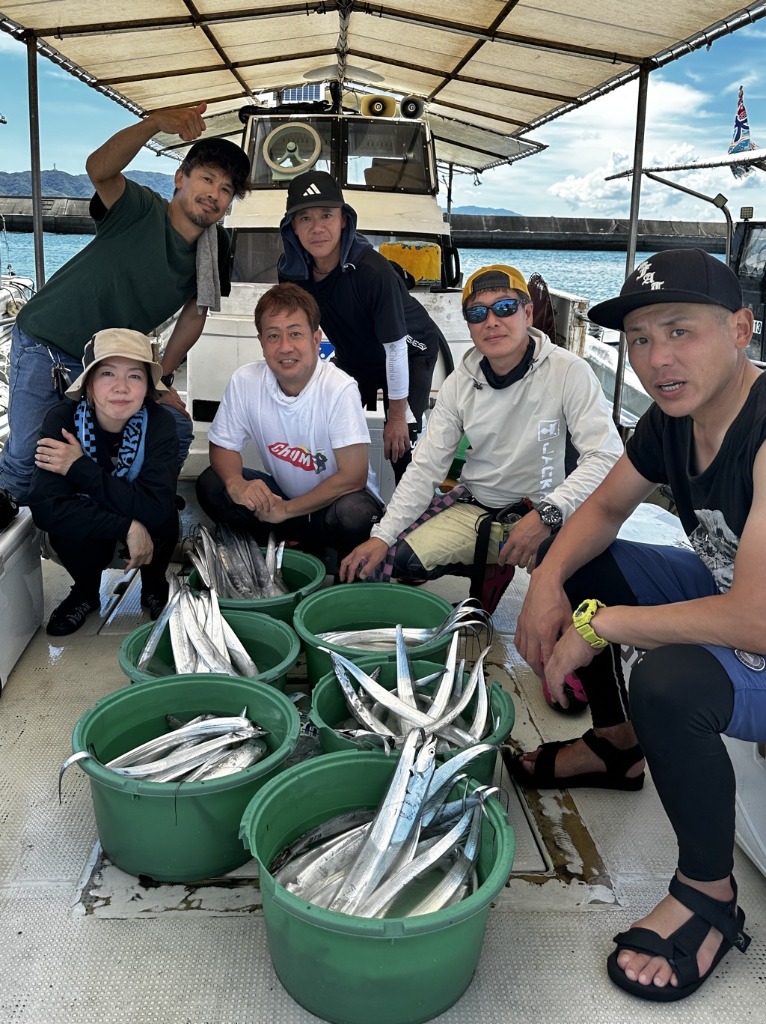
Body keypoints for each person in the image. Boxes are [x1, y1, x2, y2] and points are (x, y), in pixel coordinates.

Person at [511, 248, 762, 1001]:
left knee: (667, 680)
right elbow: (605, 509)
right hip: (732, 588)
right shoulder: (672, 419)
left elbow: (755, 618)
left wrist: (602, 626)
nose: (657, 360)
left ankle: (708, 893)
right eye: (641, 340)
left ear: (741, 329)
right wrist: (547, 580)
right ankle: (618, 749)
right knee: (575, 554)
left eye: (681, 332)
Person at [0, 102, 251, 505]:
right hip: (47, 343)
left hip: (111, 364)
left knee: (174, 428)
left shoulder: (215, 245)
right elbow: (99, 170)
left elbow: (195, 314)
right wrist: (153, 124)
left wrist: (158, 378)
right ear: (180, 178)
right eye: (207, 179)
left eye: (226, 190)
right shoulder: (140, 207)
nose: (214, 195)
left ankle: (145, 505)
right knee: (26, 463)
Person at [339, 264, 622, 614]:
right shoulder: (459, 383)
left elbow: (606, 455)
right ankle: (493, 566)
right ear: (469, 326)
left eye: (505, 307)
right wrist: (382, 537)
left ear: (527, 313)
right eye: (477, 313)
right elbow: (426, 468)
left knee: (576, 590)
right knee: (400, 559)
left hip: (550, 514)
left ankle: (519, 564)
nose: (491, 321)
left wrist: (549, 513)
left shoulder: (569, 372)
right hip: (479, 508)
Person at [195, 283, 384, 561]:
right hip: (281, 500)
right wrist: (236, 483)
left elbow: (353, 477)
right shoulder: (245, 381)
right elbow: (223, 446)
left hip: (333, 505)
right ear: (261, 342)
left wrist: (286, 510)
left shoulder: (339, 388)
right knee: (213, 483)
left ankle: (340, 564)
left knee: (355, 515)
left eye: (295, 333)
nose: (285, 347)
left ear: (316, 339)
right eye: (273, 336)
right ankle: (270, 551)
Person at [278, 169, 444, 482]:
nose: (317, 228)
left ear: (344, 219)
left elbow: (395, 348)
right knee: (318, 422)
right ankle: (337, 498)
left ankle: (413, 510)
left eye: (327, 215)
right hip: (357, 355)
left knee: (400, 444)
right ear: (293, 227)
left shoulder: (372, 271)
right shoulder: (292, 272)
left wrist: (397, 416)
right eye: (305, 218)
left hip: (408, 350)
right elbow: (298, 332)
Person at [28, 329, 179, 635]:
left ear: (147, 387)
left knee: (163, 517)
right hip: (95, 531)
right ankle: (85, 591)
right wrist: (126, 526)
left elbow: (155, 507)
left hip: (147, 521)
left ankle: (153, 584)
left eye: (135, 376)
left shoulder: (160, 423)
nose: (121, 387)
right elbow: (46, 507)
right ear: (88, 385)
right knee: (67, 527)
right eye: (107, 373)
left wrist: (79, 467)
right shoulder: (62, 422)